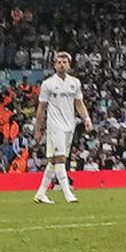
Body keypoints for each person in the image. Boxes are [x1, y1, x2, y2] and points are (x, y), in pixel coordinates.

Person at [33, 52, 90, 204]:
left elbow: (79, 103)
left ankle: (40, 193)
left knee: (53, 161)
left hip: (69, 126)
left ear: (69, 65)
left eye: (64, 62)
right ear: (54, 65)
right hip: (55, 126)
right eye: (59, 62)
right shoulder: (48, 84)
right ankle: (67, 193)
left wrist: (86, 118)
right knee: (61, 159)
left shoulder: (75, 83)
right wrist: (38, 129)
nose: (62, 65)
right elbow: (41, 108)